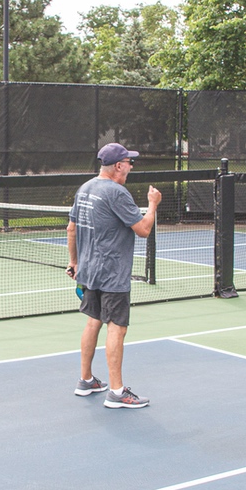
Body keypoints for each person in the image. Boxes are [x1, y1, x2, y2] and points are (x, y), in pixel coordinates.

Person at [67, 142, 162, 409]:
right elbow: (143, 229)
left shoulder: (85, 188)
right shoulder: (117, 193)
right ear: (118, 166)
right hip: (112, 272)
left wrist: (74, 264)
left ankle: (86, 380)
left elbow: (71, 229)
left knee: (93, 322)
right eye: (129, 162)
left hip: (89, 271)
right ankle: (118, 393)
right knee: (117, 329)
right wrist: (152, 205)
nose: (131, 166)